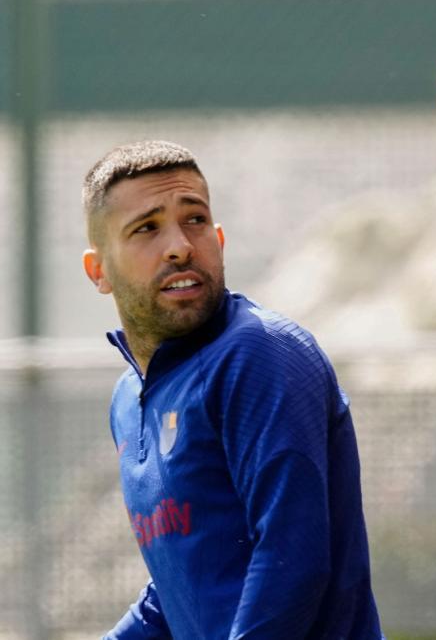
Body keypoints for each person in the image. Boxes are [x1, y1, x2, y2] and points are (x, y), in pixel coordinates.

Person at [81, 140, 383, 639]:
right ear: (99, 271)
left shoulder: (261, 353)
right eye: (146, 228)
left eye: (194, 219)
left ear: (219, 238)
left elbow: (293, 560)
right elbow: (181, 586)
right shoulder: (127, 401)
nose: (179, 245)